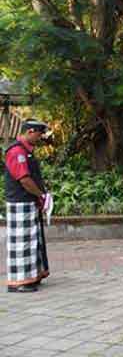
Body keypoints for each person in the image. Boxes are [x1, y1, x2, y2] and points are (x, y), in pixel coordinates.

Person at [5, 119, 51, 293]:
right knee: (21, 243)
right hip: (20, 202)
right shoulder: (17, 152)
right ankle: (19, 282)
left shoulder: (26, 151)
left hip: (28, 202)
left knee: (31, 241)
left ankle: (32, 276)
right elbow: (24, 179)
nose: (40, 138)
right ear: (31, 131)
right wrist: (41, 194)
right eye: (39, 134)